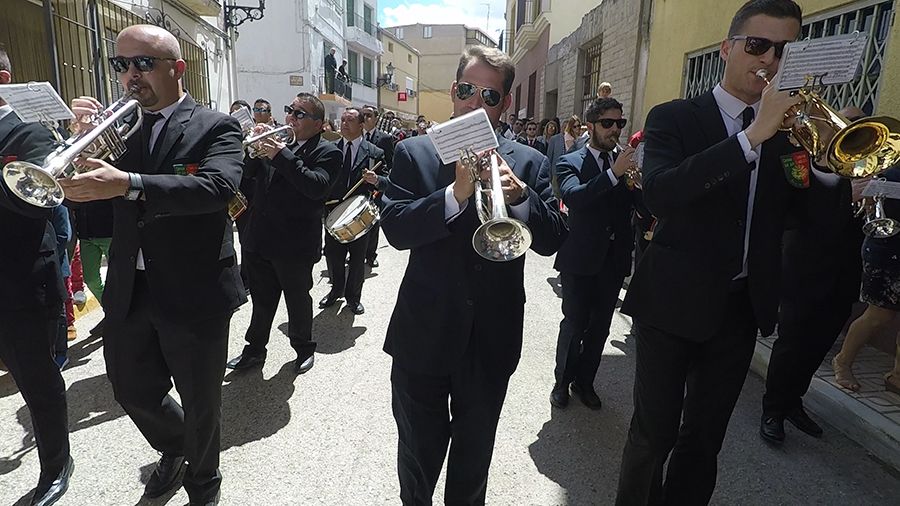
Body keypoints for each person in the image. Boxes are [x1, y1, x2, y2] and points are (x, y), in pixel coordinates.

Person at [615, 1, 827, 504]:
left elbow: (804, 216)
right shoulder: (675, 117)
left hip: (738, 308)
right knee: (654, 436)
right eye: (758, 45)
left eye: (783, 50)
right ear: (728, 49)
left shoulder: (789, 133)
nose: (770, 60)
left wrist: (829, 167)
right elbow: (660, 193)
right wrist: (752, 137)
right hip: (672, 303)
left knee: (704, 441)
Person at [62, 25, 246, 505]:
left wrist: (129, 183)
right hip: (131, 285)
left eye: (143, 63)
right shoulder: (119, 130)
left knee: (201, 399)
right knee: (130, 388)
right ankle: (178, 445)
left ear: (177, 69)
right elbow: (93, 202)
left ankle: (203, 484)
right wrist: (77, 157)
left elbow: (218, 188)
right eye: (120, 65)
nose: (130, 75)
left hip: (194, 286)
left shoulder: (216, 126)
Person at [380, 45, 567, 504]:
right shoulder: (414, 152)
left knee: (474, 460)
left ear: (505, 104)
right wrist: (454, 195)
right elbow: (396, 229)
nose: (474, 103)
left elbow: (552, 239)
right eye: (467, 90)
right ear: (453, 91)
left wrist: (521, 198)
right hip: (424, 333)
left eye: (490, 95)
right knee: (417, 455)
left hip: (491, 337)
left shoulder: (529, 162)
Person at [759, 106, 868, 444]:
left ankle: (794, 401)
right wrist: (846, 196)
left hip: (843, 273)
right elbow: (798, 217)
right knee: (792, 343)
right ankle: (772, 409)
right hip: (803, 270)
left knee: (819, 344)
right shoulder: (798, 162)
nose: (848, 131)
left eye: (855, 126)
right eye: (843, 124)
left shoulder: (862, 167)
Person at [0, 46, 74, 506]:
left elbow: (35, 202)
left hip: (19, 283)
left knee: (36, 381)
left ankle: (56, 464)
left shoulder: (29, 132)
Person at [227, 93, 341, 374]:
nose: (291, 117)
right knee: (261, 301)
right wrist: (253, 146)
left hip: (294, 244)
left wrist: (280, 154)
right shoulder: (277, 143)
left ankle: (303, 348)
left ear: (318, 124)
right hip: (261, 237)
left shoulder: (328, 151)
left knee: (297, 300)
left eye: (300, 114)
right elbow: (248, 175)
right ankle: (254, 350)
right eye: (290, 110)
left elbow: (316, 187)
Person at [550, 98, 635, 410]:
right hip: (580, 258)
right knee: (574, 324)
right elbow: (574, 197)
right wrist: (613, 174)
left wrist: (639, 185)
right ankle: (562, 382)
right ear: (590, 126)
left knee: (600, 328)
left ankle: (585, 382)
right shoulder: (570, 161)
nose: (615, 129)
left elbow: (635, 207)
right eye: (607, 123)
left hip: (613, 260)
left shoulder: (623, 162)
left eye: (619, 123)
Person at [831, 164, 900, 394]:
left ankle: (897, 375)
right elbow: (866, 201)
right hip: (886, 248)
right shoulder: (889, 163)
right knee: (879, 315)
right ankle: (843, 361)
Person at [320, 107, 385, 315]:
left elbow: (388, 180)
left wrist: (377, 180)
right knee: (333, 256)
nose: (344, 124)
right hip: (333, 212)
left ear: (361, 125)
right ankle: (335, 290)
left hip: (359, 215)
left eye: (349, 120)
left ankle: (353, 297)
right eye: (343, 120)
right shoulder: (330, 149)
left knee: (357, 260)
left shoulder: (374, 153)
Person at [361, 105, 394, 268]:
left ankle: (370, 255)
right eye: (363, 115)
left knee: (373, 221)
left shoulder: (385, 139)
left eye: (369, 115)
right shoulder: (356, 135)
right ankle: (356, 253)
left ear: (375, 119)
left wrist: (382, 181)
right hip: (358, 185)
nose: (365, 118)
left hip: (376, 185)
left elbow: (390, 162)